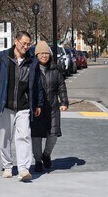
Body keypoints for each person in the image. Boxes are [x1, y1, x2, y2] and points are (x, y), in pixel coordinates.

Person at [0, 31, 43, 182]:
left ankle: (23, 169)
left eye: (29, 44)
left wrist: (38, 103)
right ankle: (7, 166)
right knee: (5, 137)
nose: (26, 46)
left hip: (23, 106)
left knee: (24, 136)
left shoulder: (32, 61)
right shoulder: (2, 57)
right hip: (5, 105)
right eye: (24, 43)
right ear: (16, 41)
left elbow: (37, 84)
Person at [31, 40, 69, 172]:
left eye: (46, 53)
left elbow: (61, 87)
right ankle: (37, 160)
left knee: (53, 135)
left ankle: (46, 155)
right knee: (36, 136)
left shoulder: (55, 69)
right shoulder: (32, 70)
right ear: (36, 55)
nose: (43, 56)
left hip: (53, 108)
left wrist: (64, 102)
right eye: (40, 53)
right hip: (37, 109)